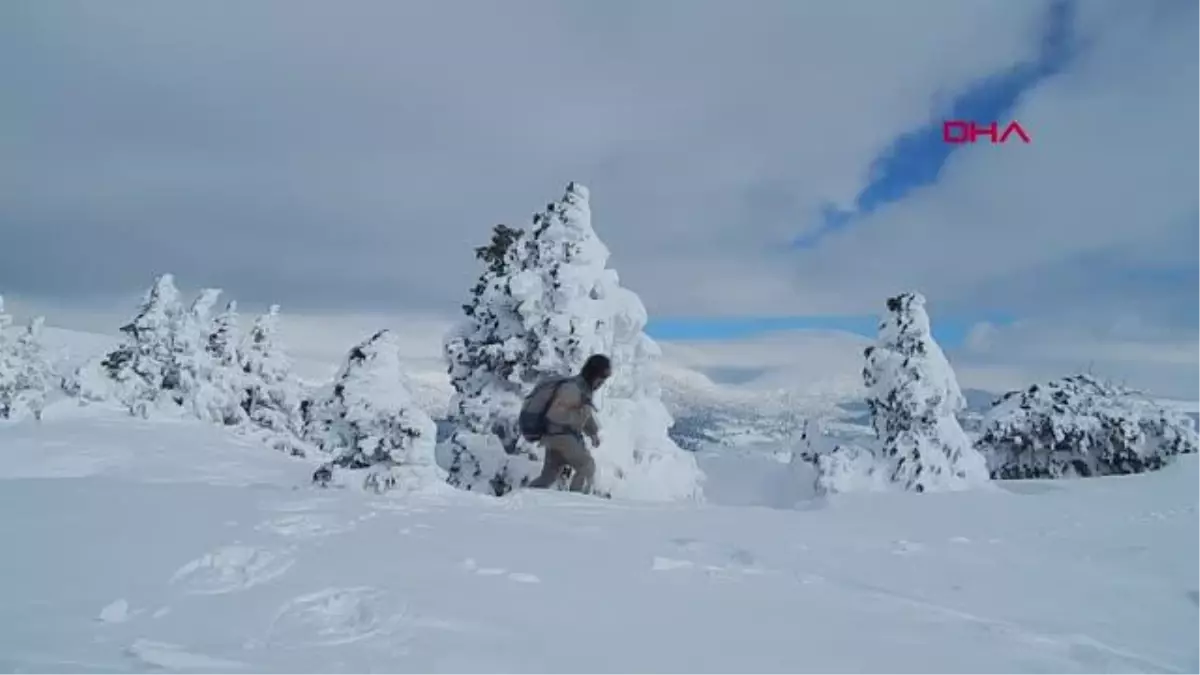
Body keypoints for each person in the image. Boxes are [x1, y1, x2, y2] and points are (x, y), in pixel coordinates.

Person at [527, 354, 611, 493]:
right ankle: (576, 503)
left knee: (548, 477)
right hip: (562, 437)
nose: (601, 384)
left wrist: (593, 432)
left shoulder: (583, 389)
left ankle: (525, 498)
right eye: (600, 379)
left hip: (555, 438)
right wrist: (577, 419)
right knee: (587, 466)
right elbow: (555, 414)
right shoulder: (573, 389)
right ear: (593, 374)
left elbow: (585, 414)